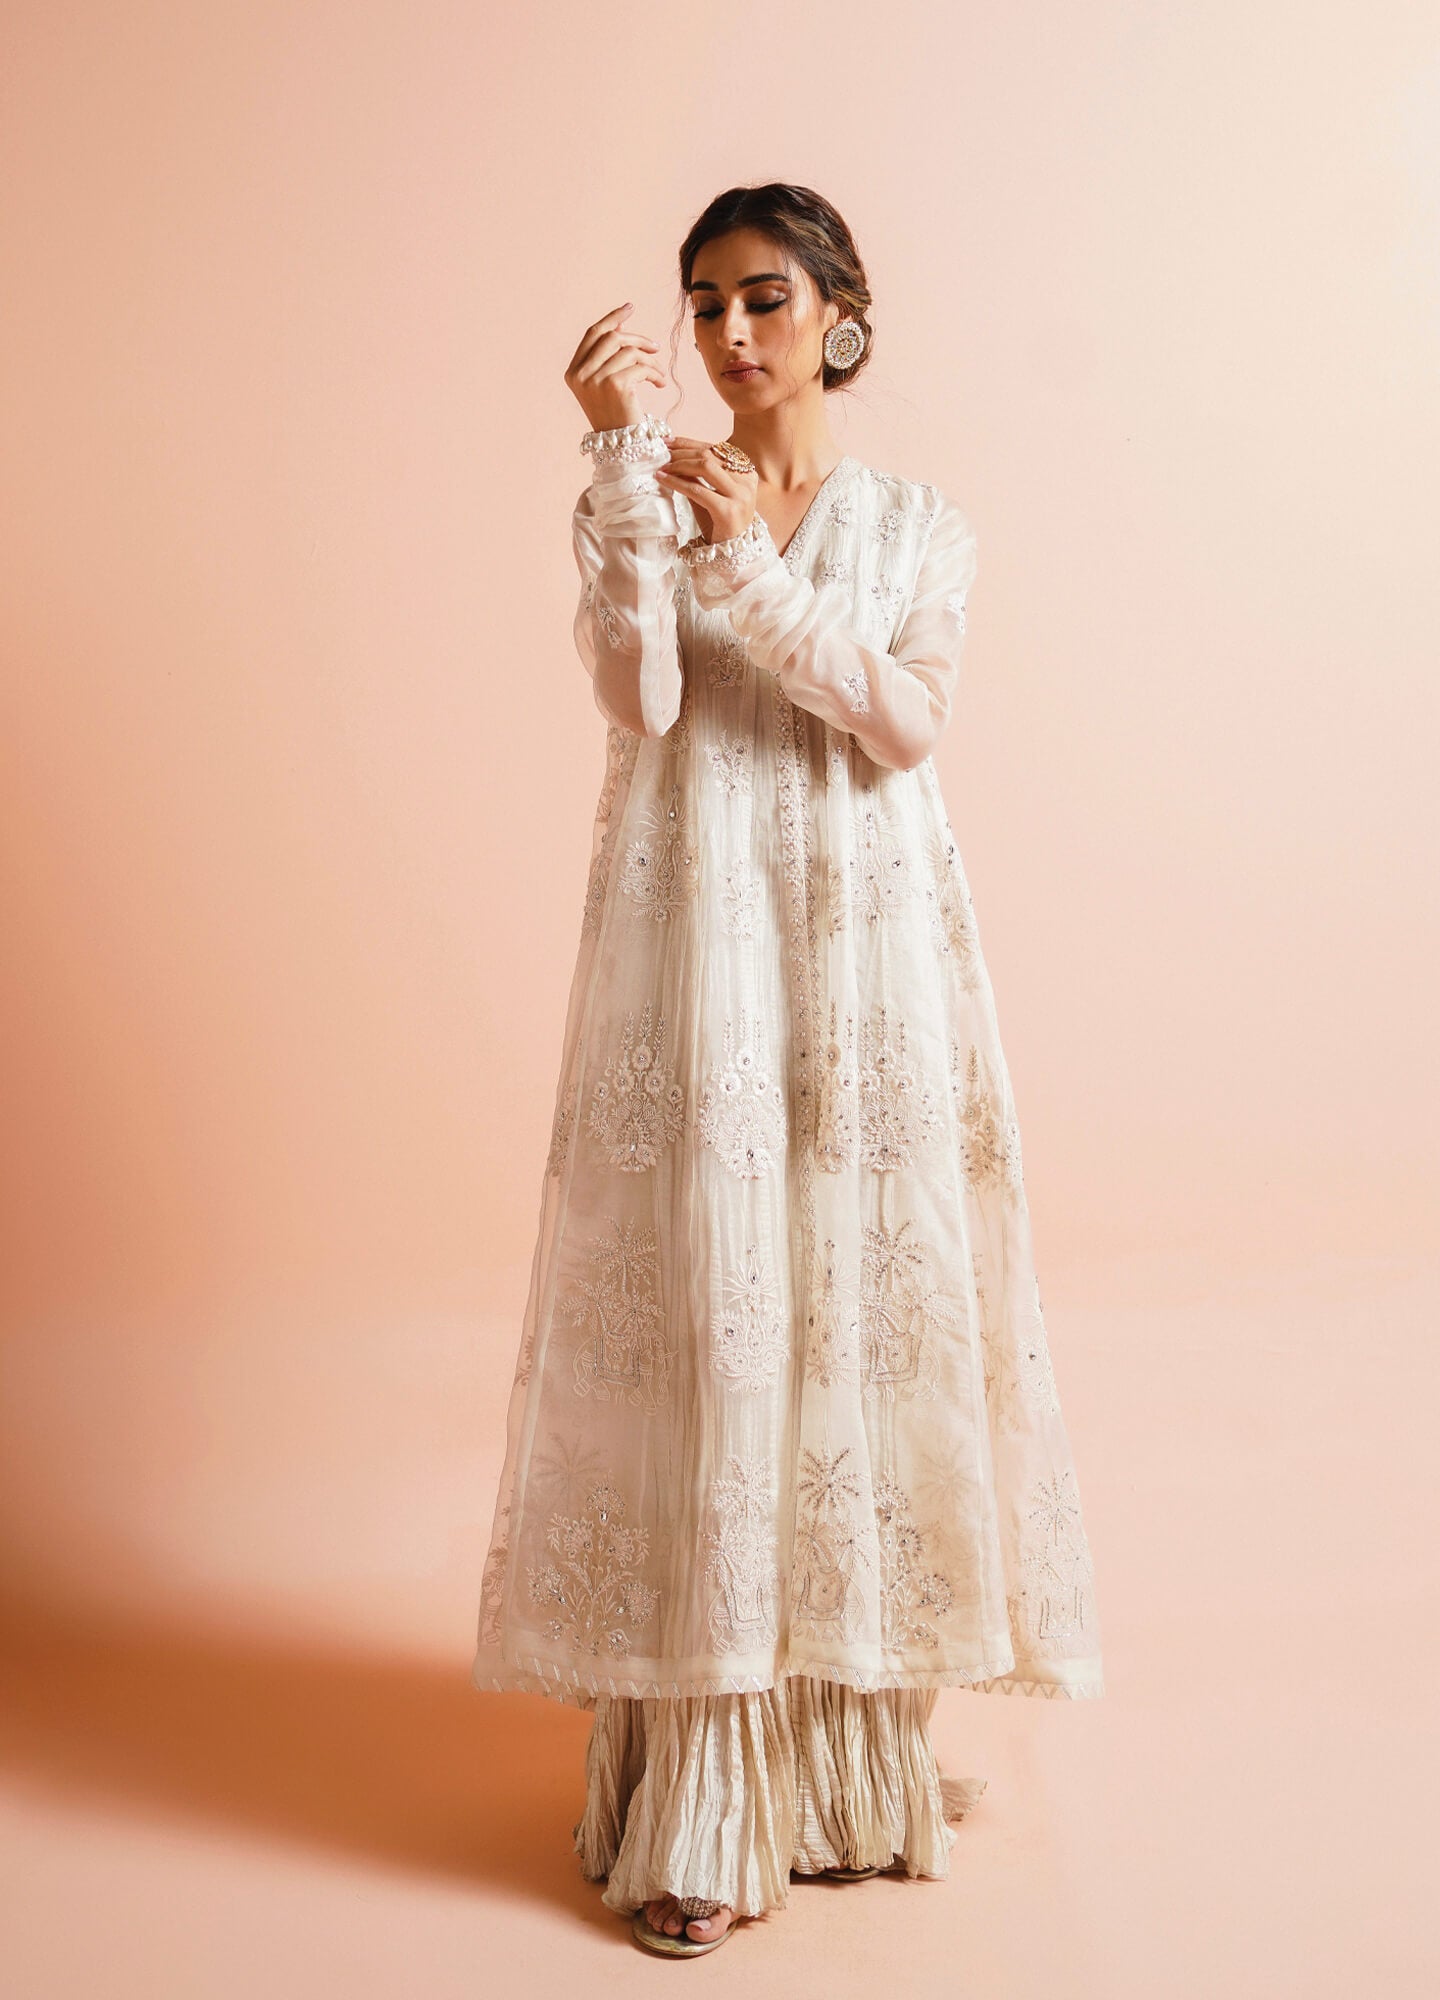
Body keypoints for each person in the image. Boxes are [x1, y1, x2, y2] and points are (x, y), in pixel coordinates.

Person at [472, 181, 1104, 1958]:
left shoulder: (919, 525)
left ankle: (846, 1766)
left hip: (869, 949)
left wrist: (754, 561)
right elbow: (640, 701)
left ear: (839, 312)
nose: (731, 335)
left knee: (855, 1313)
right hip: (701, 939)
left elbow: (904, 724)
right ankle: (701, 1799)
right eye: (703, 305)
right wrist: (627, 473)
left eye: (764, 298)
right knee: (721, 1314)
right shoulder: (647, 495)